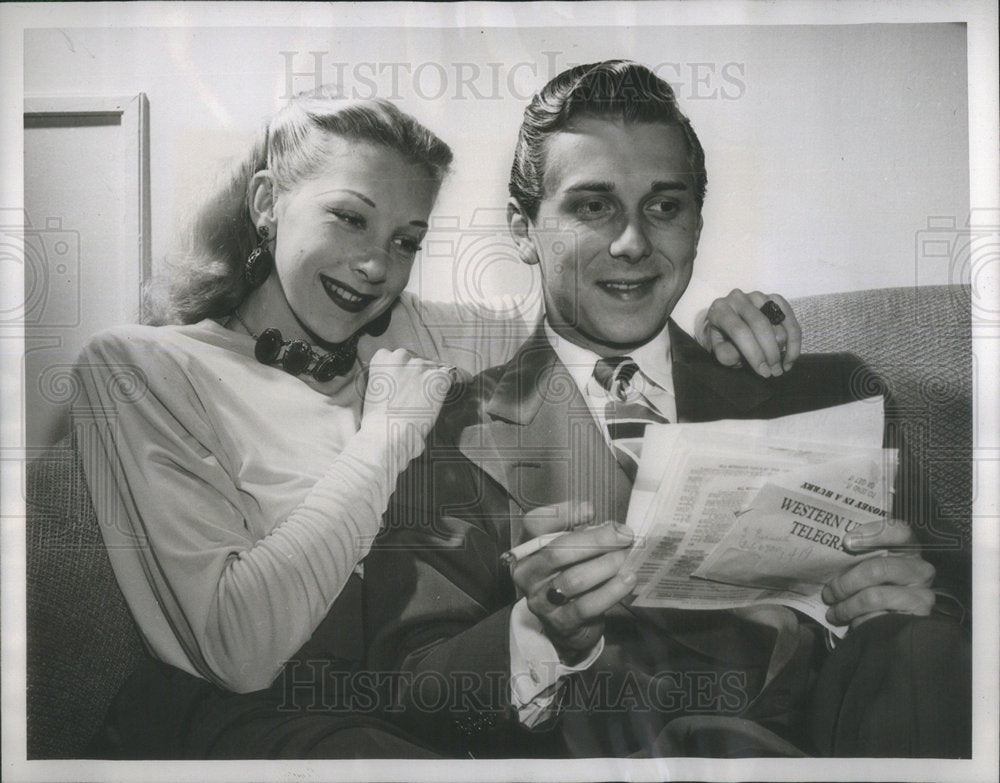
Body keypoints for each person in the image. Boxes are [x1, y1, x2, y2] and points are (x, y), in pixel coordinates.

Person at [72, 90, 800, 758]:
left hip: (421, 712)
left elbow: (596, 314)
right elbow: (239, 648)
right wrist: (387, 436)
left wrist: (723, 333)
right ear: (267, 202)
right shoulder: (139, 368)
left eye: (406, 240)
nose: (373, 267)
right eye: (349, 217)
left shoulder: (420, 332)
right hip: (263, 723)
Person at [364, 61, 971, 759]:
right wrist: (538, 630)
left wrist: (933, 601)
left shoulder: (831, 392)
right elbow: (408, 690)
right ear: (523, 230)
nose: (633, 242)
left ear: (696, 224)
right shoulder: (446, 431)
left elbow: (966, 601)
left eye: (664, 206)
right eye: (592, 206)